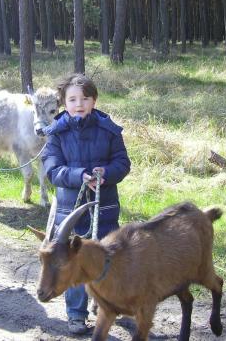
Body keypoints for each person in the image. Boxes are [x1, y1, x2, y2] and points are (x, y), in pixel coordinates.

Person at [42, 73, 131, 334]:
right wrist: (78, 175)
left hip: (104, 210)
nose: (78, 104)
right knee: (73, 263)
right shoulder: (56, 134)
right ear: (64, 103)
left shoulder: (109, 130)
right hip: (71, 213)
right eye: (72, 99)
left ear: (93, 101)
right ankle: (76, 314)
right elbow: (53, 169)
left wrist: (105, 174)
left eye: (85, 98)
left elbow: (122, 163)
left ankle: (108, 304)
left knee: (107, 260)